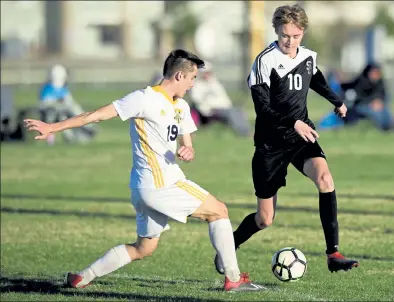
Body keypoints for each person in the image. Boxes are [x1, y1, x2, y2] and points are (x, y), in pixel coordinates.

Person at [24, 49, 265, 292]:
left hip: (144, 188)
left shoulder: (180, 105)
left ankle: (82, 277)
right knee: (219, 211)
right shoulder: (143, 98)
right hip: (162, 184)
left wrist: (188, 150)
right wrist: (52, 127)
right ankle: (233, 279)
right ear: (179, 76)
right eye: (192, 78)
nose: (193, 85)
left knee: (143, 248)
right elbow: (95, 115)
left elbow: (187, 142)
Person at [213, 4, 359, 275]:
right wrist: (293, 122)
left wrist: (336, 101)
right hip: (270, 144)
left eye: (295, 36)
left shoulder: (307, 56)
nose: (290, 42)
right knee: (264, 218)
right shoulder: (264, 61)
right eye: (284, 36)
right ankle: (231, 243)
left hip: (301, 137)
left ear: (303, 32)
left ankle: (333, 253)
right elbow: (262, 109)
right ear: (276, 31)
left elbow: (315, 79)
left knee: (325, 179)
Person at [188, 62, 252, 137]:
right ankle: (245, 133)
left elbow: (224, 98)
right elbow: (198, 100)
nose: (207, 74)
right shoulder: (197, 85)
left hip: (222, 108)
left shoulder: (215, 83)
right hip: (209, 111)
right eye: (205, 73)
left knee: (238, 111)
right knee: (232, 113)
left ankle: (247, 131)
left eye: (208, 72)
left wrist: (226, 106)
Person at [39, 64, 97, 144]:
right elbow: (45, 103)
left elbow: (69, 101)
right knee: (62, 116)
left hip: (64, 111)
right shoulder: (48, 89)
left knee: (68, 114)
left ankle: (82, 130)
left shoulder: (62, 89)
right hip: (53, 112)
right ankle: (87, 126)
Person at [340, 63, 394, 131]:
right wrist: (372, 102)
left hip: (377, 105)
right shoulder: (361, 82)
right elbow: (357, 98)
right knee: (376, 113)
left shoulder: (379, 82)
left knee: (386, 111)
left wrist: (379, 101)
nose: (376, 75)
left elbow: (383, 95)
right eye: (374, 73)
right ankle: (385, 128)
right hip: (361, 106)